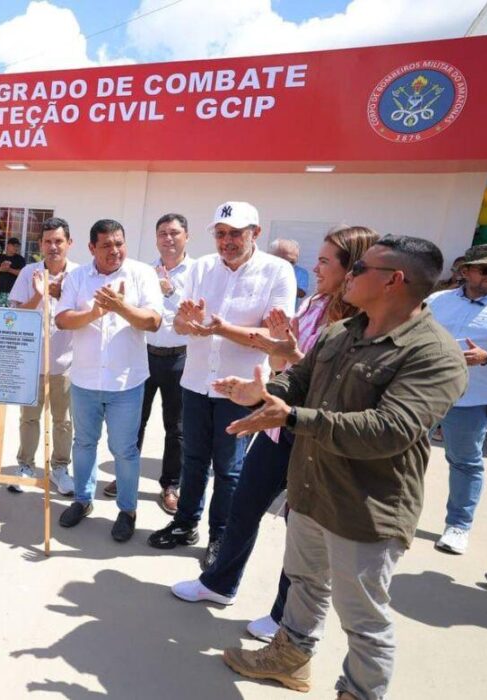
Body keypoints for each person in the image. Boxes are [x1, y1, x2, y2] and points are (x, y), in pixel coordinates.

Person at [216, 235, 467, 699]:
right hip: (312, 489)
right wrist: (267, 393)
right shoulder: (342, 331)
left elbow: (390, 428)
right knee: (305, 585)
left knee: (364, 618)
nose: (348, 275)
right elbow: (300, 378)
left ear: (394, 280)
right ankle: (289, 660)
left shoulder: (434, 354)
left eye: (360, 269)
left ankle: (359, 691)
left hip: (367, 507)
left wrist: (291, 416)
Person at [170, 226, 379, 646]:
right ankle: (218, 583)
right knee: (245, 506)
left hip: (314, 432)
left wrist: (279, 348)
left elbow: (328, 376)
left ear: (352, 266)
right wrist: (280, 350)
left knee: (302, 528)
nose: (314, 268)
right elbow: (291, 361)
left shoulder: (359, 319)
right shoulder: (316, 302)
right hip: (277, 424)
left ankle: (286, 616)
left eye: (324, 261)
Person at [147, 202, 296, 570]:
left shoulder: (277, 272)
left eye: (235, 234)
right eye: (221, 234)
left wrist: (219, 327)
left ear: (255, 234)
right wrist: (186, 322)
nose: (227, 241)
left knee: (229, 468)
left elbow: (275, 336)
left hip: (241, 389)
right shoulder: (201, 268)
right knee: (193, 460)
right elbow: (181, 324)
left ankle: (220, 535)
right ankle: (185, 524)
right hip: (196, 382)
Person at [55, 219, 163, 542]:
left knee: (125, 450)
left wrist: (120, 307)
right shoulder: (76, 278)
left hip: (126, 383)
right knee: (84, 444)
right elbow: (62, 319)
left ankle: (127, 510)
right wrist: (96, 313)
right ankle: (82, 500)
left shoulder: (142, 274)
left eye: (119, 243)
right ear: (91, 248)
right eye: (106, 245)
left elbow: (154, 321)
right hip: (85, 380)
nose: (115, 251)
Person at [106, 213, 194, 514]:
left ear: (186, 236)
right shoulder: (143, 271)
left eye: (174, 233)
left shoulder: (197, 272)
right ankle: (125, 477)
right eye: (162, 234)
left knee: (177, 427)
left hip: (180, 358)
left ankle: (170, 485)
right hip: (143, 356)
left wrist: (172, 292)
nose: (168, 239)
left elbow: (200, 314)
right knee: (133, 422)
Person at [427, 243, 487, 555]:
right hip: (423, 393)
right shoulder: (437, 300)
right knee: (397, 450)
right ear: (466, 271)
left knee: (465, 463)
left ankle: (458, 526)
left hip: (469, 400)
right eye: (485, 269)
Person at [8, 217, 77, 496]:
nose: (53, 247)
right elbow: (14, 317)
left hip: (67, 362)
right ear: (40, 245)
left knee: (63, 421)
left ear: (69, 244)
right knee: (29, 418)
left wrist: (59, 295)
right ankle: (25, 465)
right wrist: (38, 296)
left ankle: (60, 468)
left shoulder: (80, 275)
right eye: (47, 241)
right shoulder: (29, 273)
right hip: (31, 363)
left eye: (59, 241)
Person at [270, 238, 309, 303]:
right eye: (283, 260)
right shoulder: (262, 270)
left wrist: (283, 284)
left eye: (292, 262)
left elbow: (302, 293)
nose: (287, 264)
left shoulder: (302, 272)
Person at [0, 236, 26, 306]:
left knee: (12, 315)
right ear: (8, 245)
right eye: (14, 246)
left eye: (17, 246)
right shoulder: (0, 257)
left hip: (15, 292)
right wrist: (1, 269)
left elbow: (22, 273)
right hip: (0, 291)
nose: (16, 248)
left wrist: (9, 270)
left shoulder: (20, 259)